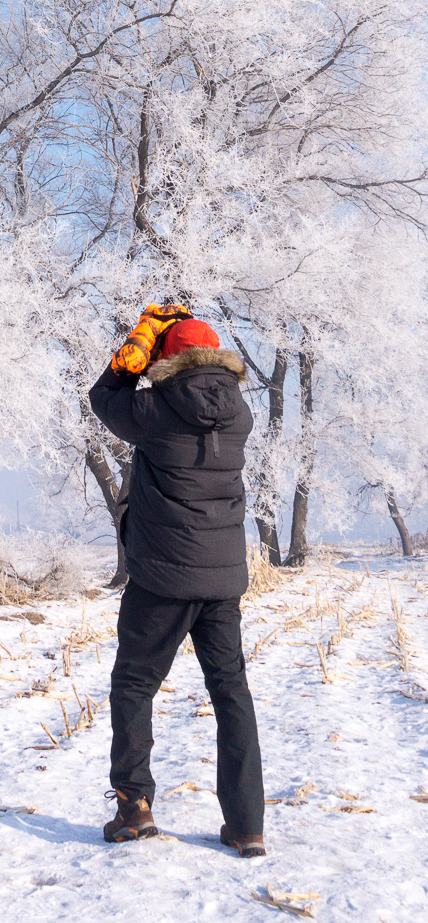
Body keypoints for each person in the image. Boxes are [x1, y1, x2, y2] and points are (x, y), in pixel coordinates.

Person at [89, 302, 266, 857]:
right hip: (222, 580)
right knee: (230, 691)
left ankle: (133, 808)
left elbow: (102, 399)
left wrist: (135, 350)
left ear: (165, 360)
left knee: (135, 684)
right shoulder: (241, 414)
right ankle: (246, 825)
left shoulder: (154, 409)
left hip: (161, 575)